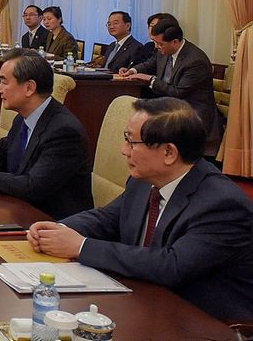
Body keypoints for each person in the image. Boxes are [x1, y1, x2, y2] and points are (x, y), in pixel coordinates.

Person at [28, 98, 253, 322]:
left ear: (169, 153)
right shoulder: (144, 181)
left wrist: (81, 246)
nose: (123, 150)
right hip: (146, 302)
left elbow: (171, 265)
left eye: (131, 142)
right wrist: (57, 230)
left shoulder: (222, 204)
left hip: (205, 321)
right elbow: (107, 218)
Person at [0, 49, 93, 219]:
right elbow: (1, 154)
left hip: (52, 222)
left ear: (29, 88)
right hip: (19, 210)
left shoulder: (64, 132)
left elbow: (32, 187)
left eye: (4, 82)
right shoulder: (22, 119)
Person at [117, 20, 222, 156]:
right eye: (155, 42)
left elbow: (177, 93)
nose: (156, 47)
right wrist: (132, 71)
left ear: (175, 42)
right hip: (170, 106)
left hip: (191, 113)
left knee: (146, 125)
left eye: (160, 44)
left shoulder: (196, 61)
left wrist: (151, 79)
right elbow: (149, 64)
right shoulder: (164, 50)